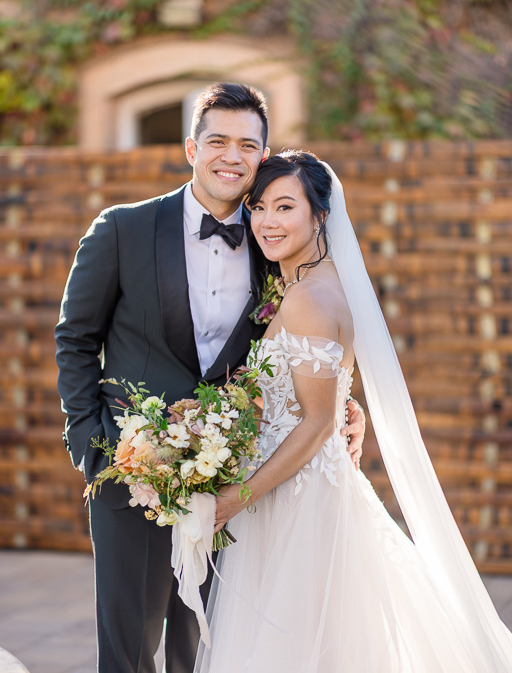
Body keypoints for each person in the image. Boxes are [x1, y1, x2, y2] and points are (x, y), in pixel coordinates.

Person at [55, 83, 365, 673]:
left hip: (236, 481)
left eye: (247, 145)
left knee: (208, 650)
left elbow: (305, 346)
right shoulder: (121, 228)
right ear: (191, 148)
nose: (232, 156)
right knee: (127, 652)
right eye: (217, 140)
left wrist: (344, 404)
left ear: (262, 156)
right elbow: (75, 339)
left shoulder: (274, 242)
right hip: (132, 472)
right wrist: (92, 445)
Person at [194, 150, 512, 673]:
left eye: (285, 207)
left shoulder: (307, 298)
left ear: (320, 215)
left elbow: (318, 422)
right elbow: (320, 393)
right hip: (300, 487)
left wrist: (236, 498)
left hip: (295, 501)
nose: (267, 221)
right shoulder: (313, 284)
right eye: (258, 207)